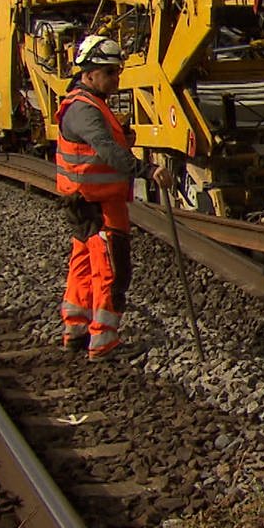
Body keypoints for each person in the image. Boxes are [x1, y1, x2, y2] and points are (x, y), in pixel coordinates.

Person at [56, 35, 173, 361]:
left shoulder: (85, 104)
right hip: (98, 205)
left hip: (85, 202)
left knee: (81, 268)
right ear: (89, 72)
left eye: (118, 72)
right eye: (110, 72)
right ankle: (103, 342)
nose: (116, 79)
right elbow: (106, 151)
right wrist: (147, 170)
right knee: (110, 271)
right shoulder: (85, 110)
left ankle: (76, 330)